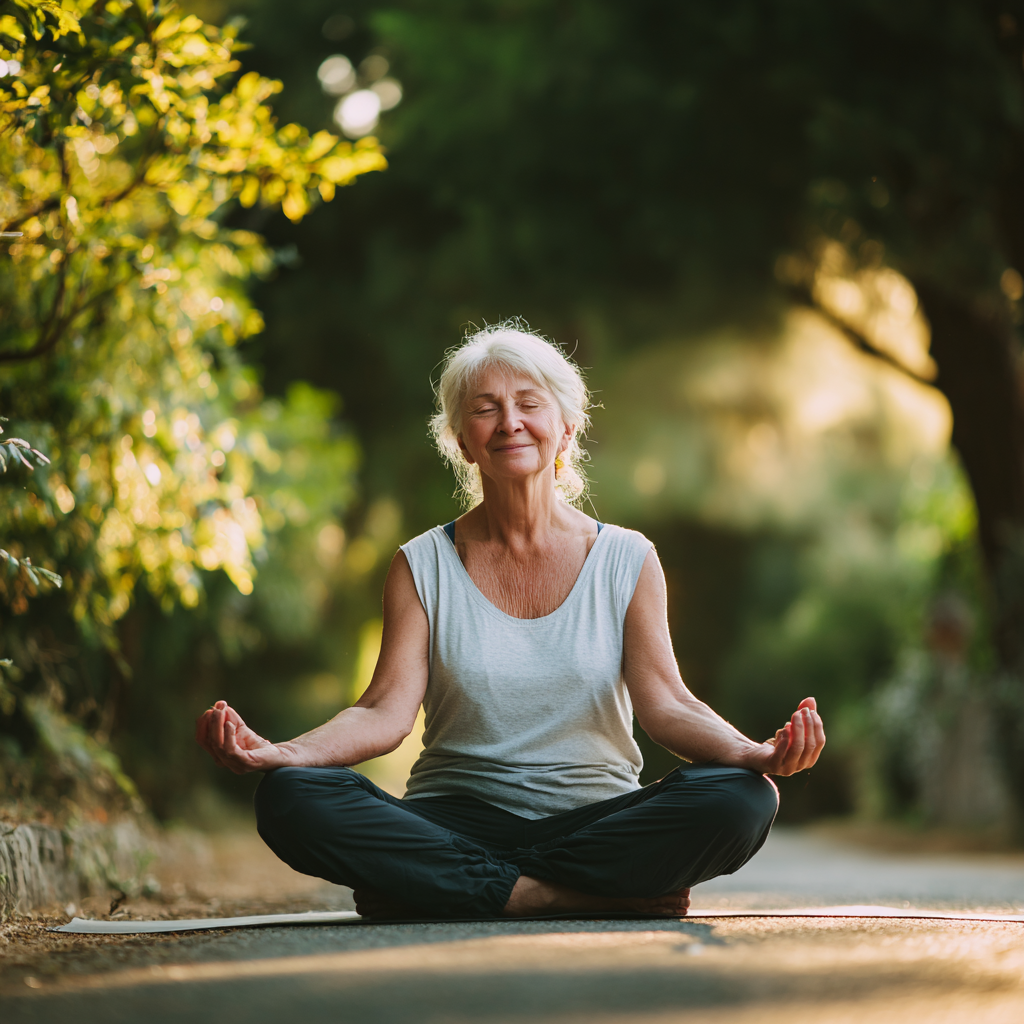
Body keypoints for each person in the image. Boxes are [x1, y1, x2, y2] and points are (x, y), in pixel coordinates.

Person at [195, 323, 825, 920]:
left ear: (567, 427)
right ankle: (565, 896)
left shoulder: (627, 558)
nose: (509, 422)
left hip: (595, 821)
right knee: (290, 796)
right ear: (461, 439)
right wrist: (286, 753)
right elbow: (383, 712)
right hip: (455, 817)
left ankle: (450, 885)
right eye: (484, 408)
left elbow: (668, 706)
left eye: (529, 402)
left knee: (742, 798)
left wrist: (753, 752)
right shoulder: (421, 563)